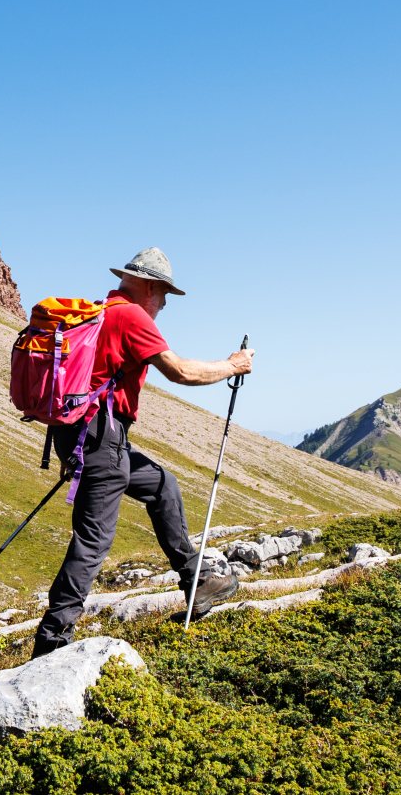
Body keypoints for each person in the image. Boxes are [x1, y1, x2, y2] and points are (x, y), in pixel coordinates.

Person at [32, 247, 255, 658]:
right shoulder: (131, 315)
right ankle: (52, 640)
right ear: (151, 287)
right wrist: (232, 366)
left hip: (83, 435)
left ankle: (195, 579)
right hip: (100, 439)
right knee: (93, 540)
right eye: (166, 295)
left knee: (161, 485)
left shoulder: (103, 310)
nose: (166, 303)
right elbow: (181, 371)